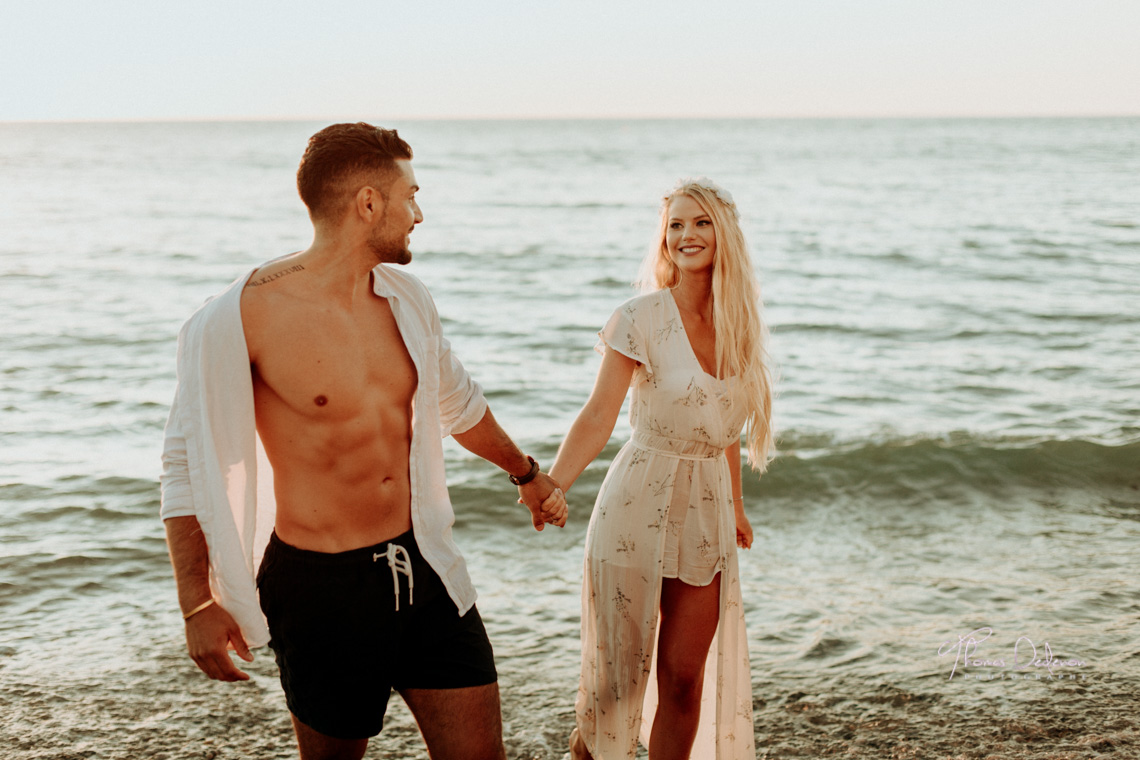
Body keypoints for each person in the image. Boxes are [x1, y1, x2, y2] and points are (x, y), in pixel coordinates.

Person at [159, 122, 567, 760]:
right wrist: (197, 604)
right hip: (321, 591)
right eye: (410, 196)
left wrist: (527, 475)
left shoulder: (406, 298)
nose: (418, 213)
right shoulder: (234, 321)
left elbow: (456, 400)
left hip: (425, 566)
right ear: (368, 203)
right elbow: (184, 464)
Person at [548, 178, 774, 759]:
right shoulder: (641, 317)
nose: (685, 235)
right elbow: (599, 414)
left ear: (724, 234)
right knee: (618, 685)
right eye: (675, 224)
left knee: (682, 678)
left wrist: (739, 506)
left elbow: (723, 429)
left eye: (699, 223)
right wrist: (552, 484)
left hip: (707, 514)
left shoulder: (739, 326)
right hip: (636, 502)